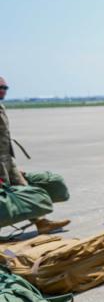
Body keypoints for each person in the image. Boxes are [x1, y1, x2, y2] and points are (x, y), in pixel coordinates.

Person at [0, 76, 70, 234]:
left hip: (7, 161)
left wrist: (12, 165)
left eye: (5, 88)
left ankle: (42, 222)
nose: (3, 91)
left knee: (25, 190)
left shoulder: (1, 106)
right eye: (1, 88)